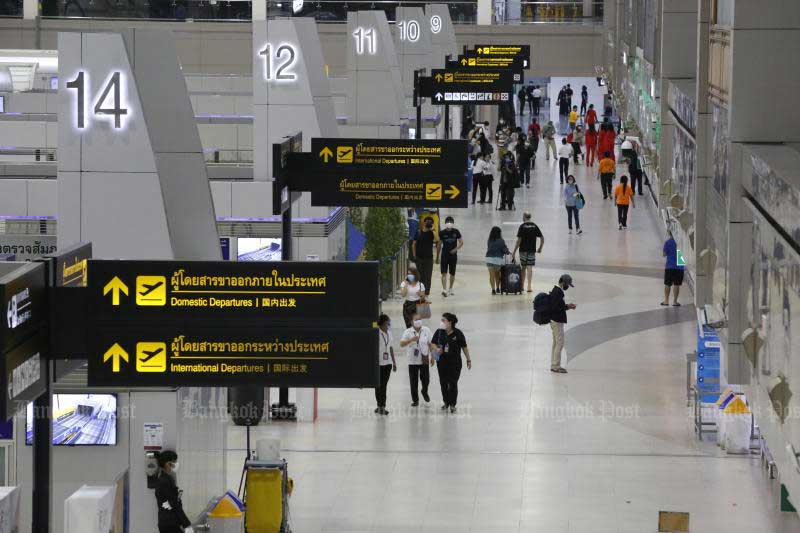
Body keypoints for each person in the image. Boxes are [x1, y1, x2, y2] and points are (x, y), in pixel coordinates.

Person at [431, 312, 472, 413]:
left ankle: (453, 404)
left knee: (453, 383)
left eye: (443, 320)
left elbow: (464, 346)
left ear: (450, 322)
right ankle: (446, 402)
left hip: (455, 363)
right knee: (443, 383)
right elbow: (432, 343)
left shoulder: (458, 333)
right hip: (442, 363)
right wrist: (436, 349)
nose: (442, 322)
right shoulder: (439, 332)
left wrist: (468, 359)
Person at [399, 313, 433, 406]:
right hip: (412, 360)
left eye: (419, 319)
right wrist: (411, 340)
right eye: (416, 320)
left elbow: (430, 344)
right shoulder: (408, 332)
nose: (418, 321)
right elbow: (401, 344)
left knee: (426, 379)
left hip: (424, 358)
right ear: (412, 322)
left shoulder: (426, 330)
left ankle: (424, 391)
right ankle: (415, 400)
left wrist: (433, 357)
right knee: (413, 381)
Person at [155, 450, 191, 533]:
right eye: (175, 461)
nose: (177, 463)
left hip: (170, 523)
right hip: (169, 524)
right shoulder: (164, 481)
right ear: (168, 464)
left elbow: (174, 502)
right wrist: (187, 525)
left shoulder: (166, 478)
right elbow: (175, 504)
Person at [549, 274, 577, 374]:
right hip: (557, 321)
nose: (567, 286)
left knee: (556, 343)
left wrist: (567, 306)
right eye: (567, 284)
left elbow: (557, 306)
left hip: (554, 320)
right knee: (559, 343)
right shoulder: (558, 292)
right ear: (563, 282)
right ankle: (556, 366)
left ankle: (554, 364)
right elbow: (557, 308)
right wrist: (568, 306)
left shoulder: (556, 290)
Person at [511, 212, 544, 293]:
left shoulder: (522, 226)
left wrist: (514, 251)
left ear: (524, 217)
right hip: (532, 250)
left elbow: (519, 240)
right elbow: (542, 238)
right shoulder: (534, 226)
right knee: (530, 267)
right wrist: (540, 248)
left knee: (523, 267)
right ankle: (529, 286)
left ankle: (522, 286)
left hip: (523, 250)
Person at [375, 314, 396, 414]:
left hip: (388, 364)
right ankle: (380, 405)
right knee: (378, 385)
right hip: (378, 363)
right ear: (383, 323)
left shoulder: (389, 333)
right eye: (388, 322)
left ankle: (381, 406)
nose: (389, 323)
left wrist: (394, 362)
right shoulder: (377, 333)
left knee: (384, 385)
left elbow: (391, 347)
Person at [437, 216, 463, 297]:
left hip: (453, 256)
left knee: (452, 273)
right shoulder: (442, 233)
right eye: (448, 222)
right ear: (445, 223)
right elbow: (439, 244)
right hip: (444, 255)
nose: (449, 224)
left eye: (450, 222)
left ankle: (451, 288)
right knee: (444, 273)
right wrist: (437, 256)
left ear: (453, 223)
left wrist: (455, 249)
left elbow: (461, 242)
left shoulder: (456, 232)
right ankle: (444, 290)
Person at [661, 230, 685, 307]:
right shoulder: (681, 242)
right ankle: (675, 301)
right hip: (680, 266)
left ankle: (666, 301)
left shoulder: (667, 242)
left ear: (670, 234)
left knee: (667, 284)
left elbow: (664, 254)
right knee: (677, 284)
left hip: (669, 266)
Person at [485, 226, 511, 295]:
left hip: (489, 258)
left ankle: (493, 290)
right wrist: (508, 252)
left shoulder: (489, 240)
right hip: (498, 260)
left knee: (491, 275)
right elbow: (504, 250)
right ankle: (498, 288)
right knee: (497, 274)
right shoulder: (501, 240)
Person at [413, 218, 436, 292]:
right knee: (420, 276)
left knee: (428, 277)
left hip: (429, 258)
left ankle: (426, 293)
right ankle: (421, 292)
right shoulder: (418, 232)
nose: (428, 224)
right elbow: (413, 245)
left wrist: (433, 230)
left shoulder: (431, 233)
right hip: (419, 258)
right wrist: (414, 256)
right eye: (427, 222)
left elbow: (437, 239)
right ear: (424, 223)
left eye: (430, 223)